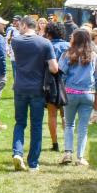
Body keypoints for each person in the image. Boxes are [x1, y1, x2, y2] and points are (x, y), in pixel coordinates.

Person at [10, 15, 58, 171]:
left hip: (20, 87)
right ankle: (33, 163)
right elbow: (54, 68)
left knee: (20, 123)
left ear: (24, 25)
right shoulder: (45, 43)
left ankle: (17, 152)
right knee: (36, 125)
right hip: (37, 89)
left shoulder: (16, 42)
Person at [57, 29, 97, 166]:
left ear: (74, 39)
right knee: (83, 127)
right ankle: (80, 157)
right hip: (88, 95)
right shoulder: (94, 56)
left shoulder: (67, 55)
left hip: (70, 93)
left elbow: (61, 74)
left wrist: (62, 90)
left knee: (69, 125)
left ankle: (67, 153)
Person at [44, 23, 69, 152]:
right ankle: (68, 143)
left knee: (52, 114)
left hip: (51, 84)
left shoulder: (47, 46)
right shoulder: (69, 46)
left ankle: (55, 144)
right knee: (66, 115)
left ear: (49, 33)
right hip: (67, 84)